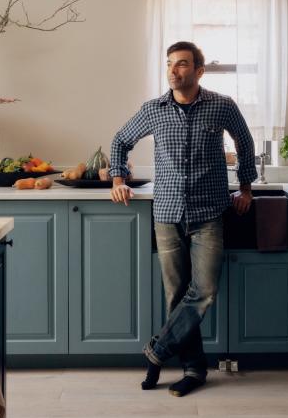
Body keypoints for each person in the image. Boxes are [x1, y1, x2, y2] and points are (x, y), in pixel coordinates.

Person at [108, 41, 257, 397]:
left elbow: (245, 142)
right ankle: (194, 370)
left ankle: (157, 352)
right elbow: (120, 140)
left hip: (209, 213)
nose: (174, 71)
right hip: (167, 214)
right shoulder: (153, 109)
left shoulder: (222, 106)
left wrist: (247, 188)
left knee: (203, 290)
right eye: (170, 64)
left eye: (183, 64)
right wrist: (117, 179)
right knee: (177, 295)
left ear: (199, 71)